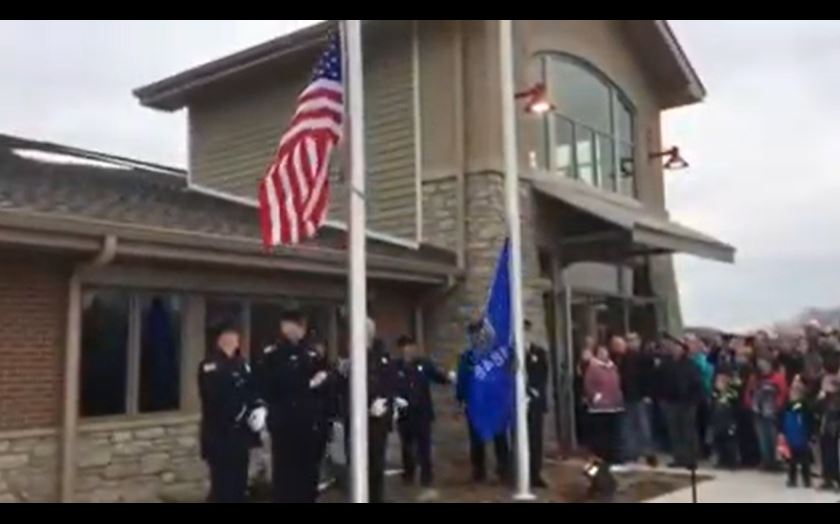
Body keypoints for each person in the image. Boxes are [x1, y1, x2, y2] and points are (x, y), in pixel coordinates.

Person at [255, 310, 331, 503]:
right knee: (285, 476)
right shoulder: (273, 354)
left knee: (308, 475)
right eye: (293, 325)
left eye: (300, 326)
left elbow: (326, 379)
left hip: (309, 423)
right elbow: (272, 384)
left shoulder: (312, 352)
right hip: (285, 422)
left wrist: (322, 381)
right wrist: (307, 384)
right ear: (285, 327)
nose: (298, 330)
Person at [198, 322, 265, 503]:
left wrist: (258, 407)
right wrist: (243, 413)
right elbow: (216, 399)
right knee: (222, 487)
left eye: (236, 336)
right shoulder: (210, 365)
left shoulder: (242, 364)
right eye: (231, 336)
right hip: (220, 436)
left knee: (239, 485)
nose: (235, 340)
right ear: (222, 339)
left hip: (240, 437)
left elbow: (252, 389)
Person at [394, 335, 452, 493]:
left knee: (424, 446)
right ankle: (408, 475)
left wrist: (449, 377)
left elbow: (438, 376)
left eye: (410, 348)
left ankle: (427, 477)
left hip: (422, 413)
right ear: (401, 350)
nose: (408, 351)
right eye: (405, 348)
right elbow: (390, 384)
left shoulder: (423, 364)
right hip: (405, 414)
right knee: (406, 446)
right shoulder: (396, 367)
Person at [457, 320, 511, 483]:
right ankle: (478, 471)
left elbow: (505, 377)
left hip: (495, 401)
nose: (477, 338)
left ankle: (504, 469)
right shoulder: (467, 358)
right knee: (476, 439)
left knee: (500, 437)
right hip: (476, 403)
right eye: (474, 335)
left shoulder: (496, 356)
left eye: (480, 334)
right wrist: (461, 398)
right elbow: (463, 379)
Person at [364, 319, 399, 503]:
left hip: (377, 421)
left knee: (376, 463)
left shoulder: (382, 357)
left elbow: (390, 384)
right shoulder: (355, 356)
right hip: (359, 420)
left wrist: (384, 403)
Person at [659, 336, 704, 469]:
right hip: (671, 401)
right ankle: (679, 457)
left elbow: (697, 383)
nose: (675, 349)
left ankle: (691, 457)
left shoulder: (690, 364)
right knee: (675, 431)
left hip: (688, 402)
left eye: (677, 347)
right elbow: (660, 380)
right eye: (673, 347)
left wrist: (694, 399)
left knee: (688, 431)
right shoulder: (667, 364)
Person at [616, 332, 655, 465]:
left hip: (640, 396)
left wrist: (648, 394)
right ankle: (630, 453)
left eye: (633, 340)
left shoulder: (644, 357)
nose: (630, 343)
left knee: (643, 426)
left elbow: (649, 378)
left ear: (638, 341)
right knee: (628, 426)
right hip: (627, 397)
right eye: (628, 340)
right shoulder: (623, 358)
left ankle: (648, 453)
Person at [583, 345, 624, 466]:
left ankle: (613, 455)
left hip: (613, 405)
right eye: (601, 353)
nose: (604, 355)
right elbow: (588, 384)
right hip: (599, 407)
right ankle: (601, 456)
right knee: (601, 433)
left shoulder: (613, 367)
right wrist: (595, 396)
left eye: (605, 352)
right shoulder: (593, 368)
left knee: (612, 432)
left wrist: (618, 396)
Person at [746, 357, 787, 471]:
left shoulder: (778, 378)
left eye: (764, 363)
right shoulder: (754, 378)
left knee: (773, 436)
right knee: (762, 437)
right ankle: (766, 460)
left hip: (771, 412)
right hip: (757, 411)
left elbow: (783, 393)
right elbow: (749, 392)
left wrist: (777, 406)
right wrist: (750, 404)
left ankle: (775, 461)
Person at [524, 320, 550, 488]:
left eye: (526, 330)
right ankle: (518, 471)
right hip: (517, 402)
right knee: (519, 439)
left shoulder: (539, 352)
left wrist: (534, 391)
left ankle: (535, 473)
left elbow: (543, 375)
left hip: (534, 402)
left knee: (535, 439)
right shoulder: (509, 353)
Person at [782, 376, 813, 488]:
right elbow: (783, 419)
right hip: (790, 437)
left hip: (802, 437)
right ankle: (792, 479)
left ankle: (807, 480)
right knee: (791, 461)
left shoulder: (804, 406)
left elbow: (810, 422)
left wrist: (810, 436)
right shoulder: (787, 405)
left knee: (805, 461)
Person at [686, 334, 715, 459]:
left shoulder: (702, 360)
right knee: (694, 425)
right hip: (690, 396)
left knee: (703, 424)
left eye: (692, 344)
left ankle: (705, 449)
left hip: (703, 395)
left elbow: (707, 374)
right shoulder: (686, 359)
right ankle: (696, 449)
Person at [817, 352, 840, 491]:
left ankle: (835, 478)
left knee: (833, 448)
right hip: (827, 416)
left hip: (834, 416)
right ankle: (828, 478)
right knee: (826, 447)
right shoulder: (825, 378)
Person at [710, 372, 739, 470]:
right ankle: (720, 459)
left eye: (722, 381)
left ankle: (732, 462)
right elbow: (712, 406)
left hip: (729, 422)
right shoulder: (714, 393)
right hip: (717, 422)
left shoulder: (732, 393)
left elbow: (734, 407)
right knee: (717, 441)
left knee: (730, 442)